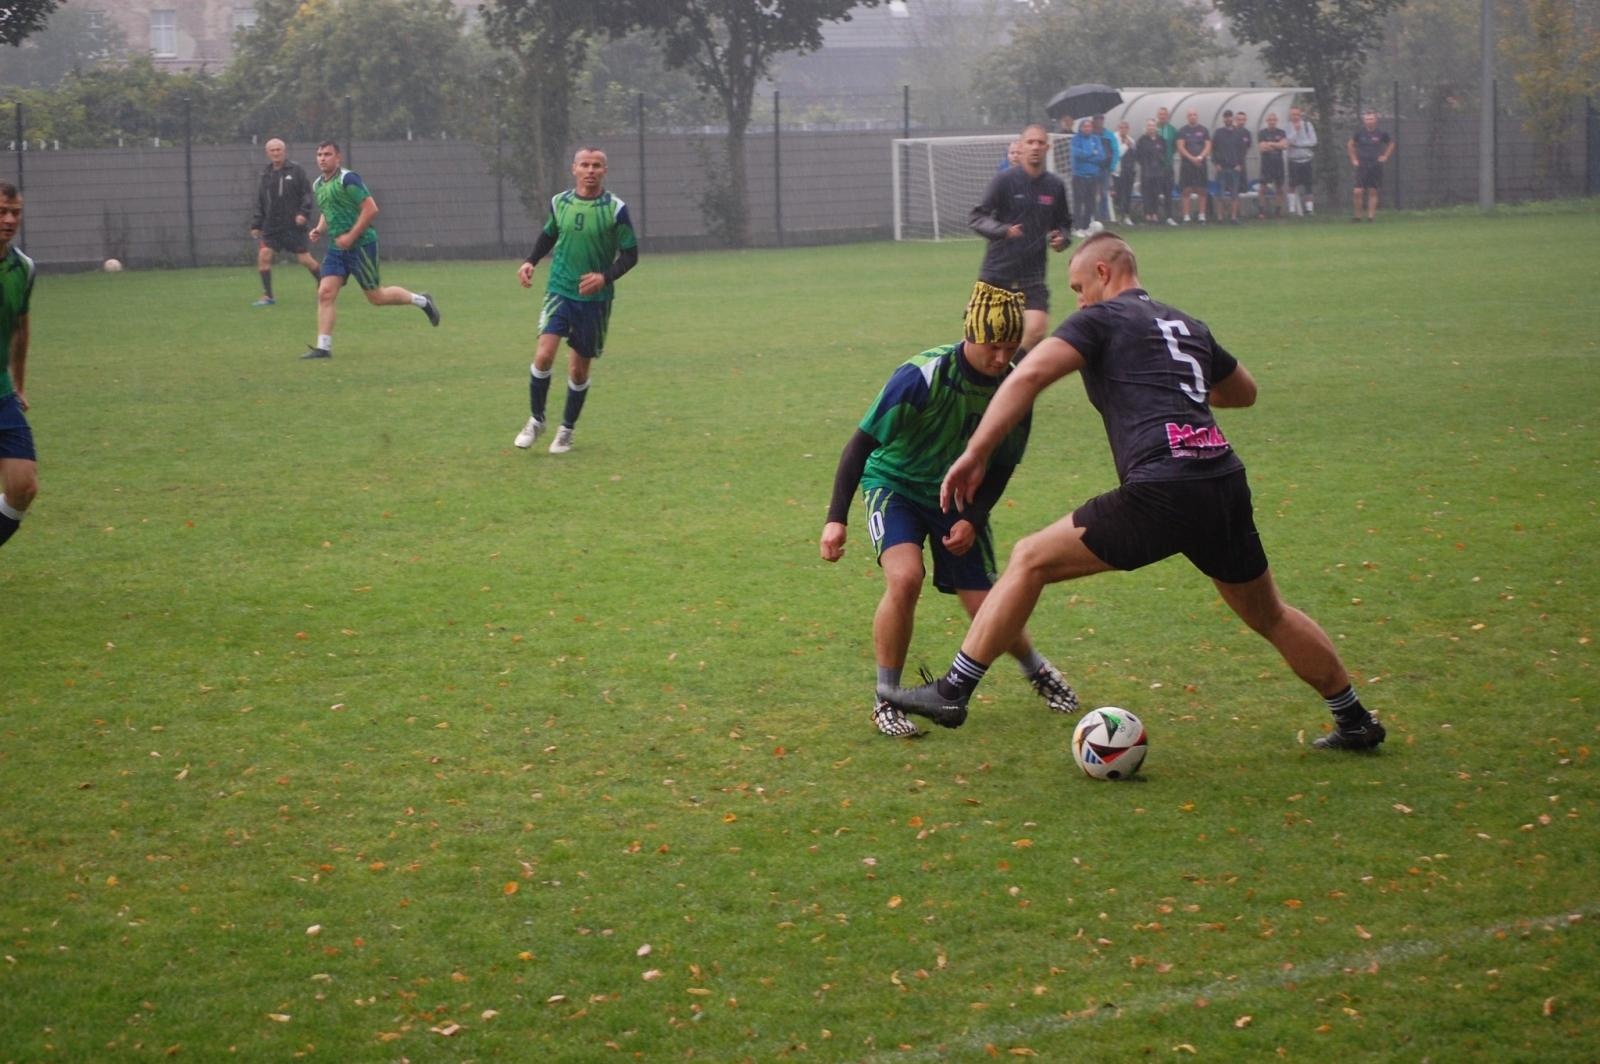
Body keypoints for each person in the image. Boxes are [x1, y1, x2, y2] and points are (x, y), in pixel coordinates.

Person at [879, 232, 1386, 753]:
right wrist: (1171, 388)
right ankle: (1354, 719)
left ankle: (953, 690)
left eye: (1078, 286)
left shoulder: (1101, 319)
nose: (1076, 300)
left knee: (1029, 558)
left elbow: (1028, 374)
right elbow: (1244, 392)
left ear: (1104, 273)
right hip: (1222, 480)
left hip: (1164, 485)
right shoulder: (1185, 324)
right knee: (1270, 614)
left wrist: (976, 452)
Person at [821, 282, 1078, 738]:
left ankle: (1036, 669)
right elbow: (860, 444)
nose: (1001, 358)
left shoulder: (1014, 387)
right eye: (992, 346)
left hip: (955, 496)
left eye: (1009, 347)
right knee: (905, 578)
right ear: (970, 335)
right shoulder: (921, 377)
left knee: (989, 605)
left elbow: (1000, 466)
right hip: (894, 485)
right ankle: (887, 698)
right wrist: (835, 520)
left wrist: (971, 518)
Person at [512, 147, 639, 454]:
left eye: (597, 165)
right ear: (574, 169)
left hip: (594, 300)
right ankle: (536, 419)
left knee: (579, 370)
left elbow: (631, 254)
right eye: (585, 165)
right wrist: (531, 261)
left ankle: (566, 430)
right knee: (543, 355)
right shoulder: (560, 202)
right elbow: (548, 235)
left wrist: (604, 277)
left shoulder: (616, 209)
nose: (591, 170)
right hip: (559, 290)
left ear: (605, 171)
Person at [301, 141, 439, 360]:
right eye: (319, 154)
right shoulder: (318, 184)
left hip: (362, 245)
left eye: (327, 154)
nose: (322, 158)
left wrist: (351, 236)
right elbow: (329, 211)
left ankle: (422, 301)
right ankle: (323, 347)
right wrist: (319, 229)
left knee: (377, 297)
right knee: (325, 292)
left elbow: (370, 208)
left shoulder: (349, 179)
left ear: (338, 158)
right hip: (337, 248)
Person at [967, 123, 1072, 357]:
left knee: (1036, 330)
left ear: (1048, 147)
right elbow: (977, 217)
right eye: (1030, 142)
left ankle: (1010, 375)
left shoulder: (1055, 186)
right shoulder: (1003, 181)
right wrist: (1002, 230)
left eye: (1040, 143)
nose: (1035, 147)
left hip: (1032, 273)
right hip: (998, 270)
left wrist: (1062, 238)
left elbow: (1064, 223)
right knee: (982, 341)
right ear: (1020, 147)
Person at [0, 183, 37, 551]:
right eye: (1, 212)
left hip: (1, 392)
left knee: (23, 486)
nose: (9, 220)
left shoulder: (23, 268)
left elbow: (21, 329)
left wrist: (20, 386)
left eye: (15, 212)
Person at [248, 138, 319, 307]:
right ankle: (268, 296)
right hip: (272, 226)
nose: (275, 153)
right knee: (264, 256)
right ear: (267, 153)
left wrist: (303, 213)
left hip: (293, 226)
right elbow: (261, 201)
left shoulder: (296, 170)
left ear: (284, 151)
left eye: (278, 149)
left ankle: (324, 284)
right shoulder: (265, 174)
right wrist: (257, 224)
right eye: (272, 150)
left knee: (305, 260)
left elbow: (307, 195)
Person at [1347, 109, 1395, 222]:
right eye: (1367, 119)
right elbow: (1350, 144)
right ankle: (1358, 216)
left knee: (1373, 191)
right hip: (1362, 165)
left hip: (1375, 165)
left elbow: (1391, 144)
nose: (1370, 121)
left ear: (1376, 120)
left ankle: (1370, 217)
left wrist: (1385, 156)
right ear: (1364, 121)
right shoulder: (1359, 133)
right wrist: (1354, 159)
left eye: (1372, 119)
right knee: (1357, 191)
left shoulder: (1381, 133)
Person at [1068, 119, 1106, 240]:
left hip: (1093, 176)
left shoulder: (1096, 139)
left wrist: (1089, 156)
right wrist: (1092, 154)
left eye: (1089, 126)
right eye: (1085, 126)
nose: (1087, 128)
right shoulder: (1076, 139)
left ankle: (1086, 227)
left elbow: (1101, 156)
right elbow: (1078, 155)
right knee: (1078, 203)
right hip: (1079, 176)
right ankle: (1077, 227)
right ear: (1080, 128)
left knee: (1091, 203)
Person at [1176, 108, 1211, 224]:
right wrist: (1191, 158)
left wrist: (1200, 157)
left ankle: (1202, 216)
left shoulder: (1204, 130)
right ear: (1187, 117)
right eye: (1190, 115)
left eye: (1194, 115)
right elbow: (1180, 147)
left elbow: (1208, 146)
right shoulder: (1182, 131)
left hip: (1201, 164)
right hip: (1187, 164)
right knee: (1186, 190)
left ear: (1197, 116)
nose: (1192, 117)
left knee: (1202, 190)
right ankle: (1186, 216)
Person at [1211, 109, 1245, 224]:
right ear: (1223, 119)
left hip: (1234, 168)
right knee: (1220, 194)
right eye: (1226, 117)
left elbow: (1242, 151)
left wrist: (1240, 164)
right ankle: (1220, 217)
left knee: (1234, 194)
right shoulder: (1218, 133)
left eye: (1230, 117)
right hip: (1222, 168)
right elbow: (1213, 150)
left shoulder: (1238, 133)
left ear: (1233, 118)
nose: (1228, 119)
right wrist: (1216, 164)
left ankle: (1233, 217)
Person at [1285, 106, 1318, 216]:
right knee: (1292, 184)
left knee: (1308, 185)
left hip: (1307, 159)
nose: (1295, 117)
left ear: (1301, 115)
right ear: (1290, 115)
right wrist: (1296, 131)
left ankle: (1309, 209)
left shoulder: (1308, 126)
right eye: (1293, 114)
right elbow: (1288, 142)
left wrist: (1298, 144)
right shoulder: (1287, 127)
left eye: (1297, 115)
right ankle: (1292, 209)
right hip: (1293, 160)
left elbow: (1313, 142)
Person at [1255, 112, 1288, 218]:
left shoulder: (1281, 132)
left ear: (1276, 121)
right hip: (1266, 163)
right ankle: (1261, 211)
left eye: (1274, 120)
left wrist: (1270, 144)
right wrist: (1277, 145)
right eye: (1270, 120)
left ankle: (1278, 211)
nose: (1272, 122)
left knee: (1279, 188)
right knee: (1263, 188)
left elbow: (1284, 146)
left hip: (1278, 163)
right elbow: (1262, 148)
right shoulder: (1262, 133)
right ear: (1267, 121)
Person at [1155, 107, 1179, 226]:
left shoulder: (1172, 130)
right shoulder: (1154, 128)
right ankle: (1154, 216)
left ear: (1167, 116)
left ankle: (1169, 216)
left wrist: (1168, 157)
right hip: (1155, 168)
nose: (1162, 116)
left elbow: (1175, 147)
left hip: (1168, 166)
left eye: (1164, 114)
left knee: (1168, 192)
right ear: (1158, 116)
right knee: (1154, 192)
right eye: (1160, 114)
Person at [1092, 115, 1118, 225]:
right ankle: (1094, 216)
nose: (1099, 121)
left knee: (1104, 193)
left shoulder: (1109, 135)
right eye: (1097, 119)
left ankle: (1104, 217)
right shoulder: (1090, 134)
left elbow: (1115, 151)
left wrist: (1112, 166)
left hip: (1105, 169)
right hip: (1093, 169)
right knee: (1093, 193)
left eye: (1101, 119)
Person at [1112, 120, 1137, 226]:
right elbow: (1117, 154)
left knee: (1127, 194)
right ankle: (1118, 216)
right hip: (1118, 171)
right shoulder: (1114, 138)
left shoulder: (1131, 140)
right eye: (1121, 127)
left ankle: (1126, 215)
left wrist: (1131, 146)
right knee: (1118, 194)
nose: (1123, 130)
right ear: (1118, 128)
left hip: (1129, 171)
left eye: (1125, 128)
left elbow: (1135, 155)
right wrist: (1125, 146)